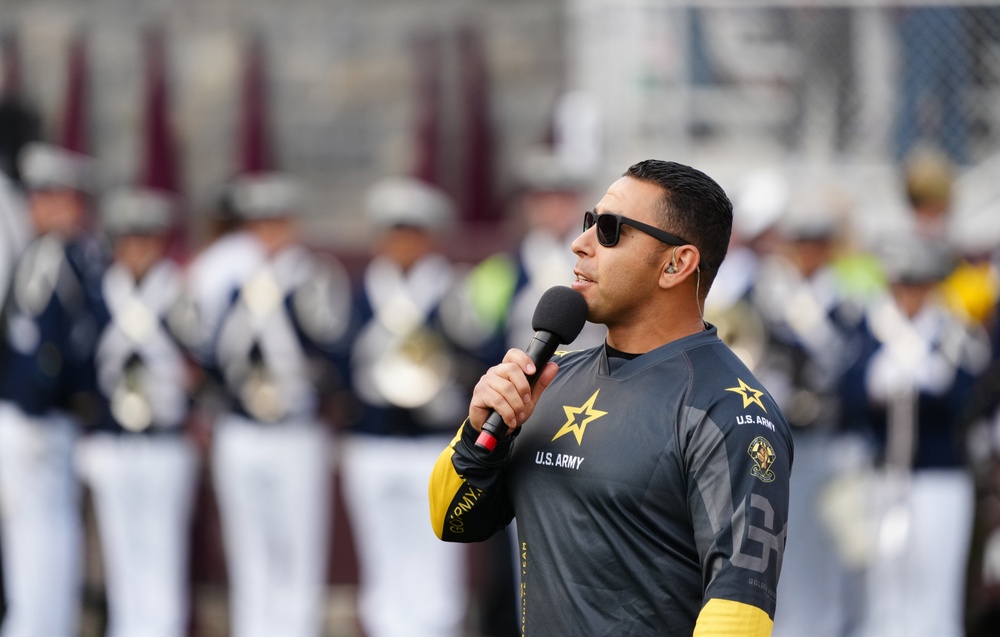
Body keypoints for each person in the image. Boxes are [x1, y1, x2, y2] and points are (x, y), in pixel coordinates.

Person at [429, 159, 793, 635]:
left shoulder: (730, 411)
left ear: (676, 263)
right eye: (588, 223)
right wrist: (480, 431)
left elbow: (739, 610)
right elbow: (454, 521)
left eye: (609, 229)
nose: (580, 244)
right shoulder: (550, 381)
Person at [190, 171, 353, 637]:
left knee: (298, 547)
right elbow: (207, 354)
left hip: (294, 428)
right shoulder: (228, 278)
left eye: (276, 221)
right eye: (258, 223)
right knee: (247, 546)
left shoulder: (313, 277)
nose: (268, 232)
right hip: (241, 425)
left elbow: (331, 348)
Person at [342, 176, 483, 637]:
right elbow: (341, 359)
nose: (402, 243)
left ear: (429, 236)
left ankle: (437, 627)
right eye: (393, 232)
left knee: (436, 550)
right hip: (373, 437)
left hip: (433, 441)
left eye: (413, 233)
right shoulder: (362, 293)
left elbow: (479, 357)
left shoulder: (450, 291)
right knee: (381, 550)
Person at [839, 233, 990, 637]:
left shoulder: (952, 331)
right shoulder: (870, 326)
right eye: (901, 284)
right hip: (882, 473)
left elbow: (967, 397)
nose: (908, 294)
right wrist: (881, 382)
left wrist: (925, 379)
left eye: (917, 284)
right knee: (880, 587)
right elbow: (848, 393)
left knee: (935, 585)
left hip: (938, 475)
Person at [73, 187, 200, 637]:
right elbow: (83, 366)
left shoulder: (179, 294)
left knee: (163, 550)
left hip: (164, 438)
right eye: (130, 239)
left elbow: (198, 361)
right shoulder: (99, 293)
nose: (139, 250)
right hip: (114, 437)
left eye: (148, 239)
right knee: (121, 549)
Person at [0, 141, 104, 637]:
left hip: (46, 419)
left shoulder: (69, 255)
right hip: (33, 419)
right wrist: (46, 399)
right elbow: (40, 345)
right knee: (38, 550)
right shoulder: (47, 255)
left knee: (54, 544)